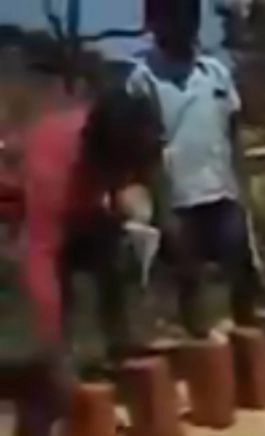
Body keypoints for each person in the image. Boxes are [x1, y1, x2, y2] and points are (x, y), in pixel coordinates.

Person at [0, 58, 163, 435]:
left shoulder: (126, 132)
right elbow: (40, 260)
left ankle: (120, 348)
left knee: (120, 246)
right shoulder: (55, 172)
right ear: (102, 157)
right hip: (19, 214)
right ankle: (41, 397)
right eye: (121, 170)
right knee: (40, 354)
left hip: (78, 209)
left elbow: (147, 174)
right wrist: (53, 354)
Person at [126, 0, 263, 336]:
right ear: (155, 22)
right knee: (190, 277)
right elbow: (146, 153)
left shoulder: (215, 72)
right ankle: (201, 354)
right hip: (179, 197)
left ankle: (249, 343)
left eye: (191, 15)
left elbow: (233, 134)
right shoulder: (142, 80)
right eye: (175, 15)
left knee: (242, 268)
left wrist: (244, 192)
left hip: (222, 190)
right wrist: (163, 211)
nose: (186, 23)